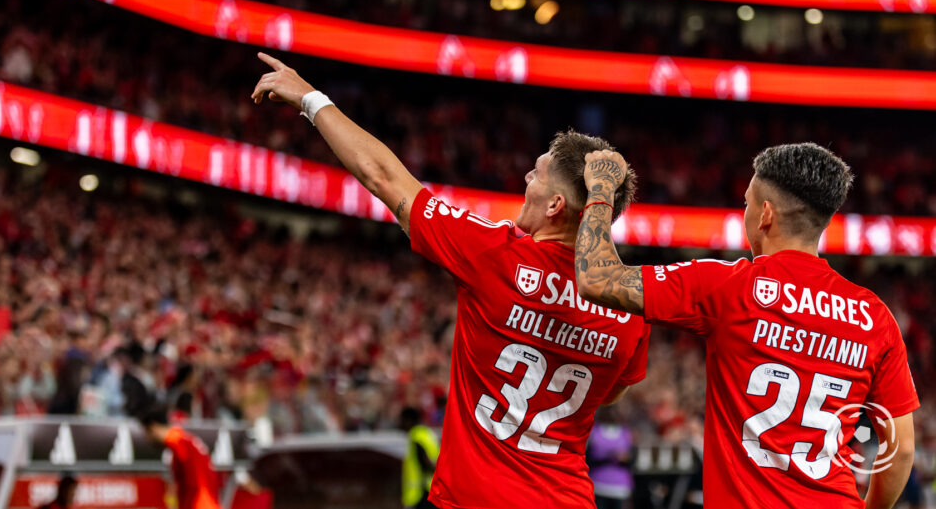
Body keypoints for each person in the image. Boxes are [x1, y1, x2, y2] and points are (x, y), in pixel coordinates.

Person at [252, 53, 650, 508]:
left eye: (536, 173)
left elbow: (384, 177)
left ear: (556, 205)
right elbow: (610, 391)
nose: (526, 177)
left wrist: (310, 97)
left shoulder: (493, 255)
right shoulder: (632, 302)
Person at [572, 143, 918, 508]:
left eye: (747, 204)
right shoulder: (874, 315)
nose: (746, 213)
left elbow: (597, 279)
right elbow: (902, 447)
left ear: (765, 214)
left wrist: (601, 189)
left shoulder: (728, 287)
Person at [140, 406, 222, 509]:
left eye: (147, 433)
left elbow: (193, 482)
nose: (148, 439)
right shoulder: (185, 440)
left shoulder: (179, 444)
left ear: (153, 427)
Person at [400, 407, 440, 509]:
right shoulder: (427, 433)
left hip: (421, 493)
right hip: (433, 489)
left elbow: (425, 461)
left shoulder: (416, 436)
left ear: (408, 420)